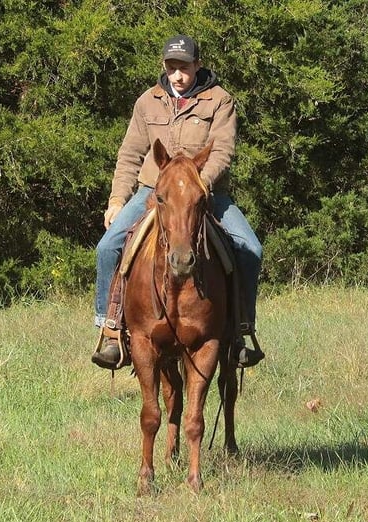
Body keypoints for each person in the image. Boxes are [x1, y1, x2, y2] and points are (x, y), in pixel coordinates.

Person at [91, 35, 264, 370]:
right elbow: (130, 154)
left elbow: (223, 151)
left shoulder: (219, 101)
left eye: (184, 67)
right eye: (172, 68)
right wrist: (116, 199)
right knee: (108, 247)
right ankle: (111, 331)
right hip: (153, 191)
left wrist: (199, 186)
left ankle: (240, 331)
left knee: (250, 249)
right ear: (164, 67)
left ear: (197, 65)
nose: (178, 75)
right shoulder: (148, 102)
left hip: (204, 193)